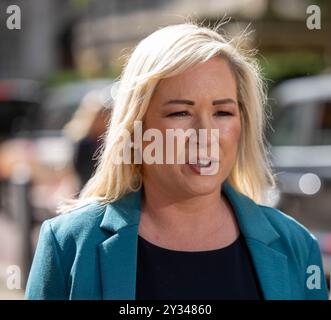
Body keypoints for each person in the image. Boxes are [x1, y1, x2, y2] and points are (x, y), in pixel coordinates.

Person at [25, 22, 328, 300]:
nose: (206, 134)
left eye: (223, 112)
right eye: (180, 113)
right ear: (137, 128)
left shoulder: (296, 245)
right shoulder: (68, 245)